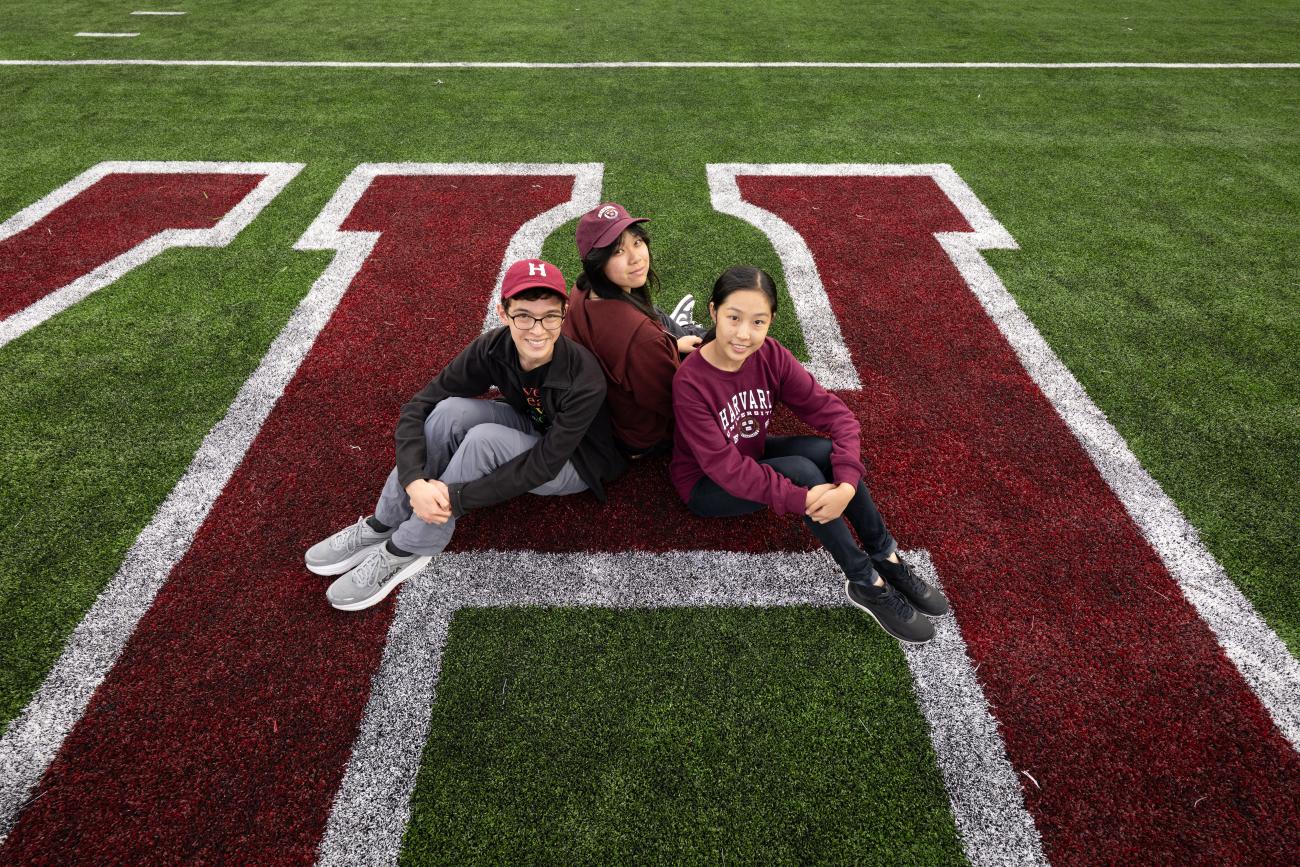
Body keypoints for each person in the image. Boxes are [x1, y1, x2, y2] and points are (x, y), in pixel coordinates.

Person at [305, 258, 626, 611]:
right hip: (531, 424)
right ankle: (385, 521)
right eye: (524, 315)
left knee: (483, 440)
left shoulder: (583, 377)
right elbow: (421, 405)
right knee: (448, 412)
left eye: (549, 315)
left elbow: (545, 465)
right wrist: (414, 483)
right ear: (503, 314)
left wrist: (454, 498)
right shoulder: (493, 346)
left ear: (564, 314)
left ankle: (410, 546)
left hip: (576, 461)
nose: (537, 329)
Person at [669, 266, 948, 644]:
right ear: (713, 311)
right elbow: (724, 468)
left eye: (758, 321)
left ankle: (886, 556)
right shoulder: (690, 381)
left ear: (770, 322)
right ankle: (864, 580)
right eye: (733, 318)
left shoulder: (770, 355)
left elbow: (836, 416)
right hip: (706, 483)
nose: (743, 334)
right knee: (801, 470)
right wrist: (800, 498)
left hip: (752, 451)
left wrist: (847, 485)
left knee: (829, 452)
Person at [562, 202, 705, 456]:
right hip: (642, 435)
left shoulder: (581, 289)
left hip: (612, 410)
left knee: (664, 321)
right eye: (618, 251)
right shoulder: (641, 338)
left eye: (637, 242)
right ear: (598, 263)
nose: (636, 257)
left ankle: (677, 332)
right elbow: (672, 402)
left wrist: (670, 344)